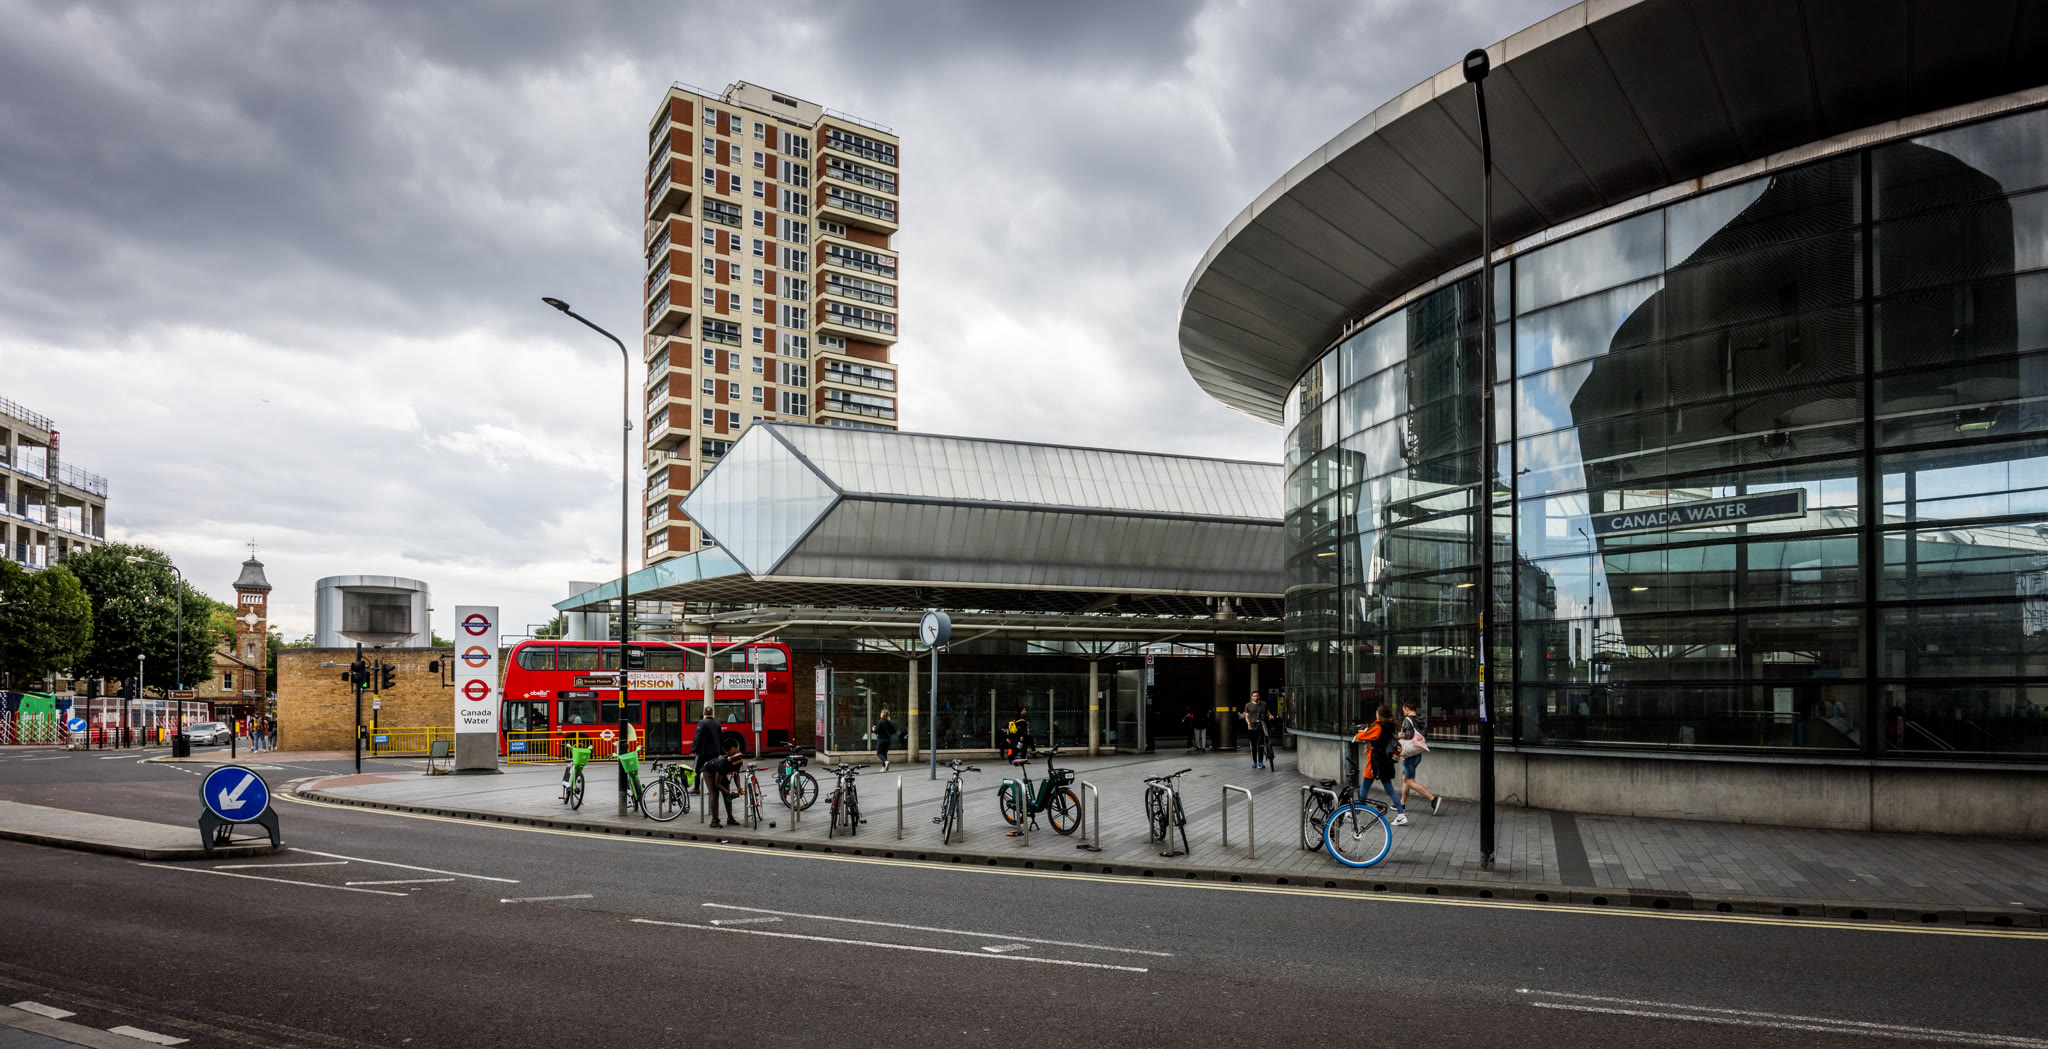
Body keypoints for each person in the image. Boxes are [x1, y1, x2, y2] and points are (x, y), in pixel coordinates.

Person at [1352, 705, 1407, 826]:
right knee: (1388, 789)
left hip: (1376, 763)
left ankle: (1355, 813)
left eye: (1377, 713)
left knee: (1365, 788)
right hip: (1385, 763)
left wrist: (1361, 734)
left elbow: (1362, 736)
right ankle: (1401, 814)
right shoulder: (1389, 725)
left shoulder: (1378, 727)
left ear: (1379, 714)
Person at [1396, 700, 1443, 816]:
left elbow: (1409, 735)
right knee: (1404, 777)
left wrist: (1400, 735)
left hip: (1410, 755)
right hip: (1417, 753)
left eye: (1404, 710)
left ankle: (1433, 799)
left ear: (1407, 709)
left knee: (1410, 781)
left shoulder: (1407, 720)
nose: (1403, 712)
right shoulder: (1420, 720)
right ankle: (1402, 804)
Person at [705, 741, 743, 827]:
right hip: (709, 772)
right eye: (735, 762)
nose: (737, 763)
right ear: (730, 760)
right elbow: (717, 783)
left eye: (739, 761)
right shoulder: (723, 764)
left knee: (727, 794)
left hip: (721, 773)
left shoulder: (739, 760)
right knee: (715, 793)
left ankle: (730, 818)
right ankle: (714, 821)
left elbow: (736, 775)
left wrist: (739, 787)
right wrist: (729, 794)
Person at [692, 705, 722, 787]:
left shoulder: (702, 722)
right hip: (715, 752)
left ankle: (696, 787)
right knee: (714, 769)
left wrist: (694, 750)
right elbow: (720, 738)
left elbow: (697, 737)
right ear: (713, 713)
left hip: (703, 751)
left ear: (704, 713)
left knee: (697, 769)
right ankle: (714, 787)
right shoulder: (717, 723)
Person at [1241, 691, 1269, 769]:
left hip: (1261, 726)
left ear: (1259, 696)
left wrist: (1270, 715)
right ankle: (1254, 762)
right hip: (1252, 727)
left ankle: (1260, 762)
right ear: (1252, 697)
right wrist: (1249, 724)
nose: (1256, 697)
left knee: (1260, 745)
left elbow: (1267, 712)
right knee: (1253, 746)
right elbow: (1246, 716)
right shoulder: (1248, 705)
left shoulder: (1263, 704)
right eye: (1254, 696)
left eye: (1257, 696)